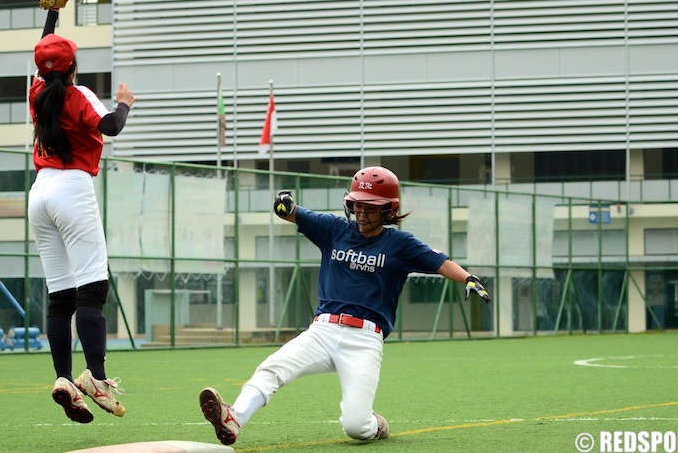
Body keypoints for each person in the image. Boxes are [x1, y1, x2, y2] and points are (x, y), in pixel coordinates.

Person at [199, 166, 491, 445]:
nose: (361, 212)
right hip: (322, 331)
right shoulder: (334, 229)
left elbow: (441, 263)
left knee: (356, 427)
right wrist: (283, 204)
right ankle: (234, 418)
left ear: (388, 209)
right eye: (357, 205)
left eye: (371, 206)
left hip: (365, 339)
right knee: (272, 368)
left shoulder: (401, 244)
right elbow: (292, 213)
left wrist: (467, 278)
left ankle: (376, 425)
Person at [28, 8, 136, 423]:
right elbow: (110, 126)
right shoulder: (78, 94)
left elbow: (45, 55)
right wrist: (125, 104)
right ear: (73, 66)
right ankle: (98, 378)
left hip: (40, 192)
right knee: (92, 289)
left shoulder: (37, 91)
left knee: (61, 295)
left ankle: (63, 378)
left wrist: (52, 12)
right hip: (72, 188)